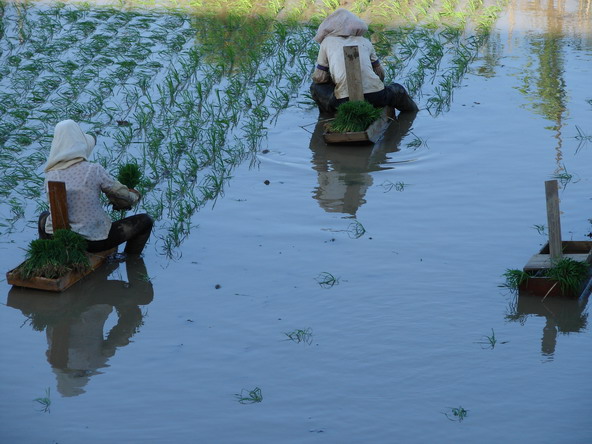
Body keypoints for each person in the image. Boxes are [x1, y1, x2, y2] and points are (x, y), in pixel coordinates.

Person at [38, 120, 153, 254]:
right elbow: (120, 193)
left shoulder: (50, 174)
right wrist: (135, 196)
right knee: (146, 221)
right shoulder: (93, 170)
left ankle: (48, 251)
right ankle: (129, 259)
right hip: (92, 242)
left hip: (56, 236)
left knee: (44, 216)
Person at [310, 8, 419, 114]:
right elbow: (379, 74)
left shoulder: (327, 42)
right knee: (397, 90)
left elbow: (320, 77)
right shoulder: (365, 41)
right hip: (375, 96)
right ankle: (413, 114)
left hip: (342, 102)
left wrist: (335, 81)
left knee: (315, 87)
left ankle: (330, 115)